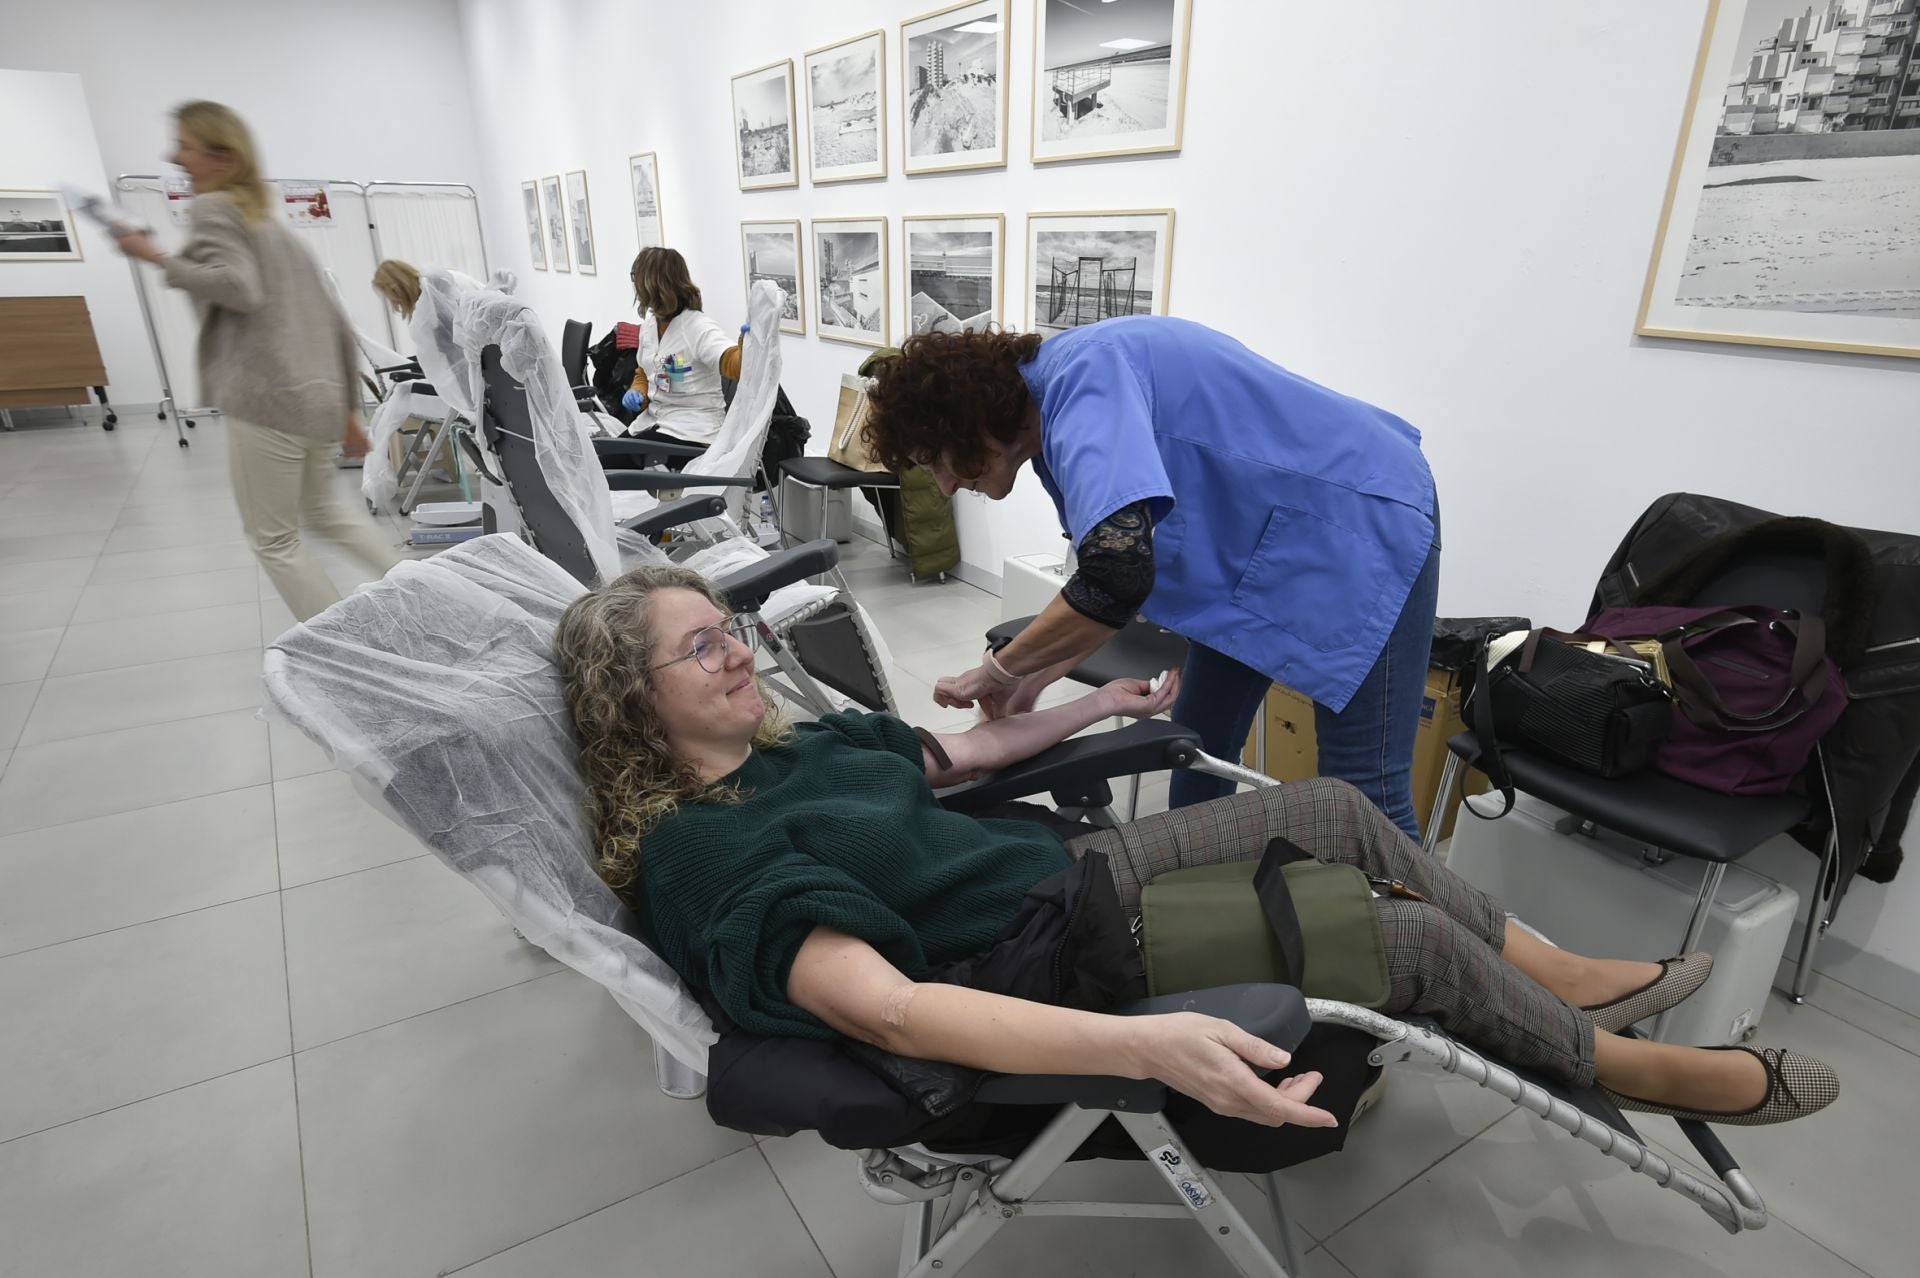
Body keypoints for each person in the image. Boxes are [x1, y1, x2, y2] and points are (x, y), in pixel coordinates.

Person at [551, 563, 1838, 1132]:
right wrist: (1140, 1045)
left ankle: (1553, 979)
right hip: (1038, 962)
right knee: (1381, 934)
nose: (739, 649)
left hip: (1073, 885)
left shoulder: (793, 749)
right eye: (702, 644)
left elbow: (955, 759)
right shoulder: (703, 855)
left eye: (729, 627)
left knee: (1331, 818)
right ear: (631, 699)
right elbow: (886, 1013)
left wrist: (1096, 705)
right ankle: (1633, 1068)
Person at [860, 321, 1440, 834]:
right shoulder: (1053, 421)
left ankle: (1424, 948)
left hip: (1366, 519)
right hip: (1263, 552)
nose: (942, 485)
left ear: (966, 423)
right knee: (1199, 740)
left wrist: (1000, 669)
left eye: (936, 460)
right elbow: (1107, 583)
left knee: (1365, 793)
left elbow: (1115, 578)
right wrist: (1031, 673)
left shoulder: (1084, 381)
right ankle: (1195, 884)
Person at [113, 101, 401, 623]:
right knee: (325, 513)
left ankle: (342, 646)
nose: (171, 155)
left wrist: (153, 256)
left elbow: (236, 287)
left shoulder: (214, 210)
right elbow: (331, 319)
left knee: (274, 540)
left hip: (269, 398)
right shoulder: (272, 228)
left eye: (184, 145)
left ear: (222, 157)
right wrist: (345, 412)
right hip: (314, 397)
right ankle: (419, 594)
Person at [617, 247, 744, 462]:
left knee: (613, 466)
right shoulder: (651, 324)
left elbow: (735, 364)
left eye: (637, 279)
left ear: (654, 284)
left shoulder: (697, 327)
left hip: (692, 431)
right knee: (603, 459)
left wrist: (748, 346)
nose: (635, 287)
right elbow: (644, 371)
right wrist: (638, 392)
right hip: (656, 421)